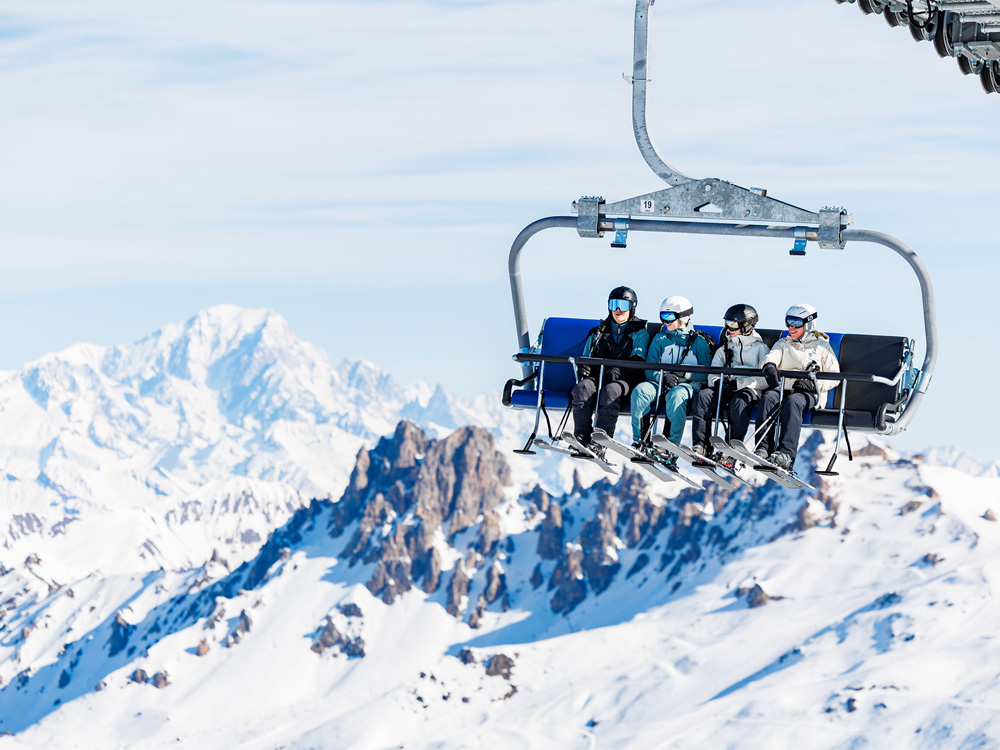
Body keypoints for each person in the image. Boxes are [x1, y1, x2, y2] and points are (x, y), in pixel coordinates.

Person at [756, 303, 840, 472]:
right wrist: (769, 366)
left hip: (808, 393)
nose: (791, 327)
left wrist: (813, 384)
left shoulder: (821, 346)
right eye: (788, 322)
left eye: (796, 323)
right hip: (783, 389)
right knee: (768, 398)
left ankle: (786, 454)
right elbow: (771, 356)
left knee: (793, 402)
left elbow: (834, 376)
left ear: (808, 324)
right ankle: (763, 448)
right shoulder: (783, 343)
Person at [629, 296, 712, 465]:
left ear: (683, 317)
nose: (665, 322)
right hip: (661, 382)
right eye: (662, 317)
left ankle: (669, 446)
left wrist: (686, 375)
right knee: (640, 391)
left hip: (687, 386)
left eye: (669, 317)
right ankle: (641, 440)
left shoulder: (698, 342)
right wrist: (663, 377)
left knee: (676, 395)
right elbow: (650, 368)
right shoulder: (660, 339)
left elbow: (707, 373)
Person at [571, 286, 650, 456]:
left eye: (623, 305)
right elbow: (586, 357)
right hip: (599, 376)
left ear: (632, 307)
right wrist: (584, 367)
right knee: (582, 388)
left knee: (610, 391)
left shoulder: (639, 333)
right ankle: (581, 436)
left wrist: (615, 370)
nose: (618, 310)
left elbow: (638, 360)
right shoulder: (599, 331)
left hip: (626, 381)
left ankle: (600, 441)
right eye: (614, 305)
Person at [690, 303, 770, 458]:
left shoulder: (761, 349)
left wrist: (739, 384)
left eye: (733, 326)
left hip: (748, 391)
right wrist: (717, 382)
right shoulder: (725, 347)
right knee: (704, 396)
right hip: (726, 388)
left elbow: (764, 380)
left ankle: (731, 449)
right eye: (727, 325)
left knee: (740, 402)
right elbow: (713, 371)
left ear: (747, 326)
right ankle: (701, 445)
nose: (729, 329)